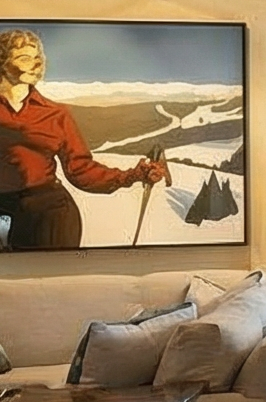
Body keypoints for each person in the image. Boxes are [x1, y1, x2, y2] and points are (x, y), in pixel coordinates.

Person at [0, 27, 166, 250]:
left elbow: (81, 170)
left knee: (53, 283)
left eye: (37, 57)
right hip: (4, 213)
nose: (36, 63)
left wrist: (134, 175)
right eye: (24, 58)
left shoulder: (56, 113)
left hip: (50, 215)